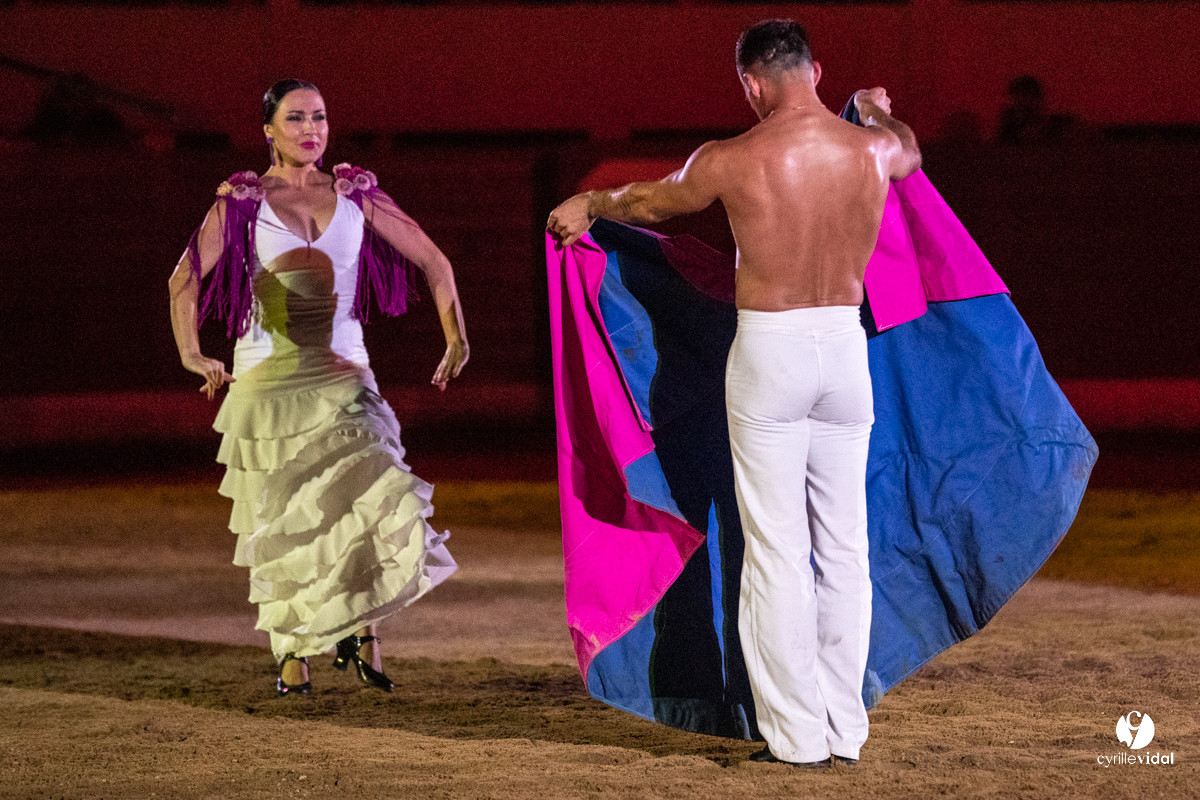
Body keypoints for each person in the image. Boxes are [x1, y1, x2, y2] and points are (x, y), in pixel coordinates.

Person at [546, 20, 920, 767]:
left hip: (771, 352)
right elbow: (910, 149)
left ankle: (795, 736)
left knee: (776, 551)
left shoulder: (732, 158)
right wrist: (872, 106)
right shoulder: (874, 148)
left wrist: (592, 201)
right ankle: (844, 728)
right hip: (845, 348)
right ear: (814, 70)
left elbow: (650, 204)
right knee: (843, 546)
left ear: (751, 82)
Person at [168, 79, 468, 696]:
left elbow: (435, 261)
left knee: (375, 502)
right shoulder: (243, 201)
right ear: (268, 131)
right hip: (266, 379)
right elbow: (185, 277)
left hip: (345, 373)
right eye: (297, 118)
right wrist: (193, 354)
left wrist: (456, 336)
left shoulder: (357, 193)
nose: (312, 129)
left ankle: (362, 632)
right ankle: (290, 651)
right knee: (281, 522)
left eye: (321, 118)